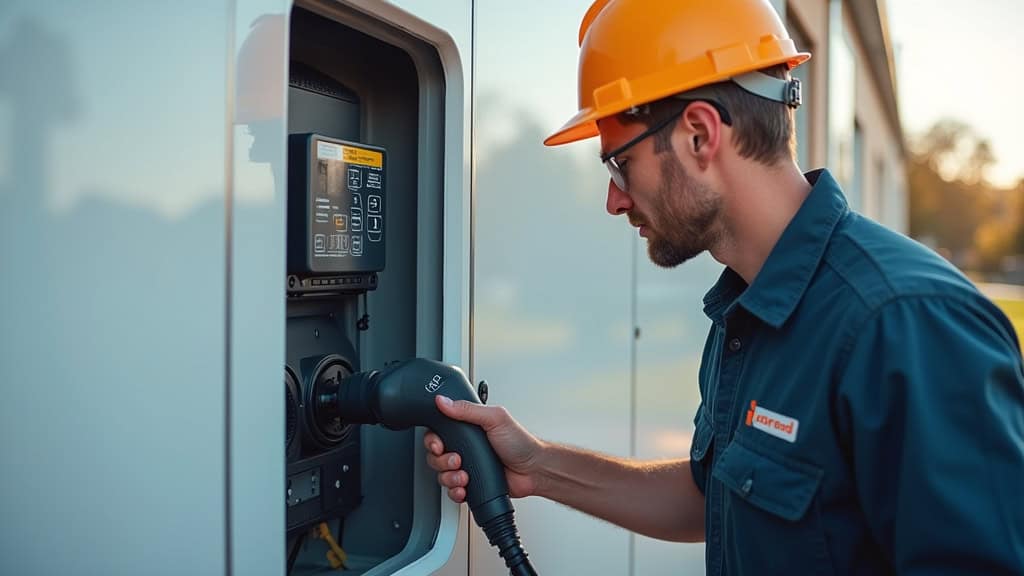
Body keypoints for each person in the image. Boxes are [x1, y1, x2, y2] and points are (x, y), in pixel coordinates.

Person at [426, 0, 1024, 573]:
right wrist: (538, 467)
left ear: (699, 135)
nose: (614, 200)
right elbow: (710, 494)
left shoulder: (908, 324)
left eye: (619, 165)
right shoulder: (747, 307)